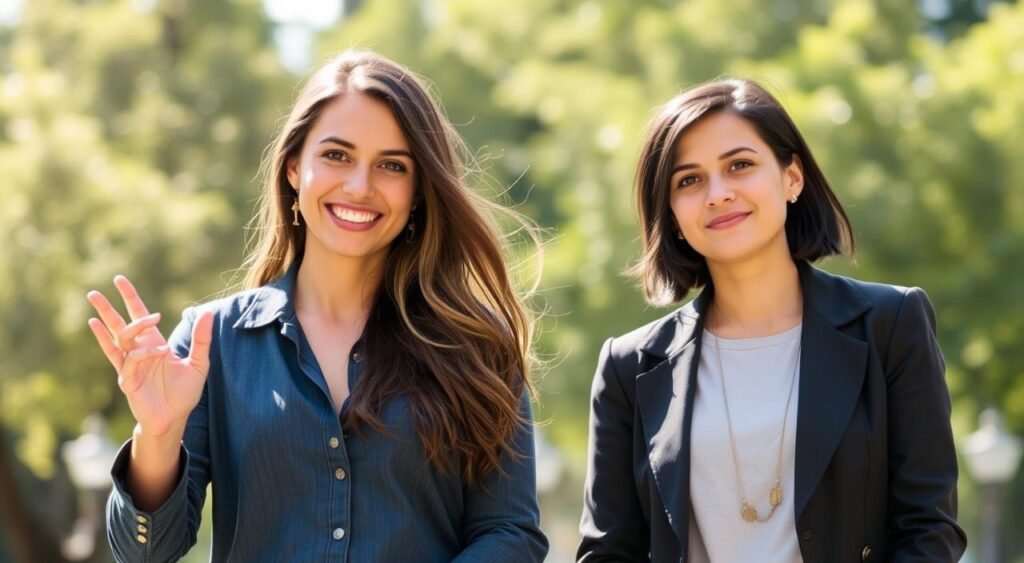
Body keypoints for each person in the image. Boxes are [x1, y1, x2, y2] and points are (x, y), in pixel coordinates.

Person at [87, 50, 548, 563]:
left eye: (392, 166)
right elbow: (145, 553)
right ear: (292, 168)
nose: (359, 186)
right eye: (336, 155)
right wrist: (159, 433)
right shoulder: (211, 341)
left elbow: (510, 535)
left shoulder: (477, 348)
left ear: (419, 191)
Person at [577, 79, 966, 562]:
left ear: (792, 178)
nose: (718, 194)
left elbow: (928, 528)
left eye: (739, 165)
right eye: (689, 180)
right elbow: (609, 552)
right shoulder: (628, 367)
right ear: (673, 214)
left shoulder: (891, 324)